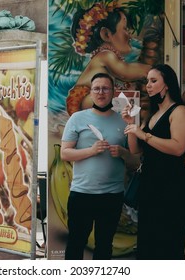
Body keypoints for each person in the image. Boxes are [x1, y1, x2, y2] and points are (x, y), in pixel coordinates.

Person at [122, 64, 185, 259]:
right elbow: (136, 150)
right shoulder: (152, 114)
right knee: (148, 246)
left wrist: (144, 135)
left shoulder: (180, 111)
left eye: (154, 81)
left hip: (172, 188)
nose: (148, 86)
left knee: (168, 246)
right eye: (147, 81)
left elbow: (178, 148)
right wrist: (131, 125)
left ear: (167, 85)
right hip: (150, 188)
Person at [61, 72, 136, 260]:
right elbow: (65, 153)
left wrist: (123, 152)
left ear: (113, 92)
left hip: (112, 195)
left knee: (104, 246)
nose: (101, 92)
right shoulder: (77, 118)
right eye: (96, 88)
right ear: (91, 92)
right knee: (76, 243)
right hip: (82, 194)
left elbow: (135, 160)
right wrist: (91, 151)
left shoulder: (123, 119)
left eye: (105, 88)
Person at [66, 2, 151, 116]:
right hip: (84, 100)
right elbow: (125, 72)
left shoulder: (104, 57)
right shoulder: (106, 55)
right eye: (125, 29)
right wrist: (153, 70)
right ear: (106, 34)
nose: (129, 35)